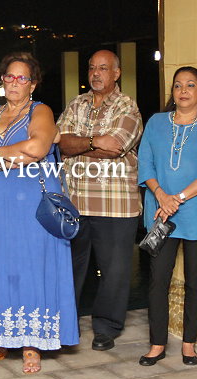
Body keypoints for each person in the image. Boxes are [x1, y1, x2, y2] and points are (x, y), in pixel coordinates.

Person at [0, 52, 78, 374]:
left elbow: (38, 148)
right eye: (9, 76)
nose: (15, 82)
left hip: (31, 205)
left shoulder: (40, 111)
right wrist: (16, 156)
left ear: (33, 84)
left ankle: (32, 344)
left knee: (31, 265)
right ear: (2, 81)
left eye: (22, 77)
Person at [137, 66, 197, 366]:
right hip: (161, 212)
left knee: (194, 280)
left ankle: (189, 344)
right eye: (178, 85)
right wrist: (162, 195)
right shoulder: (156, 122)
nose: (183, 91)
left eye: (191, 85)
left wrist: (177, 198)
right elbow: (145, 163)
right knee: (157, 280)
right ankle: (157, 344)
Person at [57, 50, 142, 351]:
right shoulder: (76, 104)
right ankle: (65, 325)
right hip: (74, 202)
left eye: (103, 68)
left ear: (116, 73)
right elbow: (59, 142)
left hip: (115, 204)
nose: (95, 73)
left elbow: (117, 146)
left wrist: (78, 144)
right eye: (92, 68)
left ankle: (106, 327)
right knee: (69, 268)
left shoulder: (127, 106)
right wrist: (95, 141)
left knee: (114, 272)